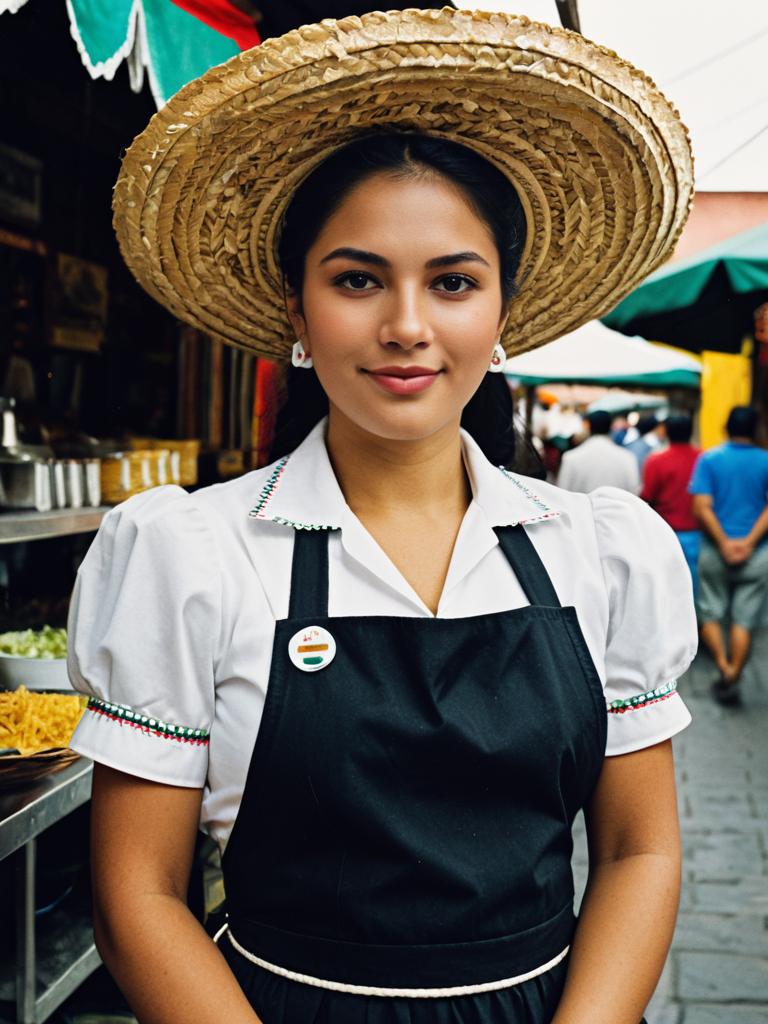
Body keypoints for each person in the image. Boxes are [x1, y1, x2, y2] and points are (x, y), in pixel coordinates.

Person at [66, 10, 696, 1024]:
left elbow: (640, 849)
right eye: (357, 279)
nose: (406, 326)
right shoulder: (192, 554)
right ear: (297, 310)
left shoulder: (603, 553)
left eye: (452, 281)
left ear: (501, 315)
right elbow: (138, 892)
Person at [689, 405, 768, 705]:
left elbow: (701, 507)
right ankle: (735, 672)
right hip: (757, 554)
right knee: (744, 619)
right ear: (756, 430)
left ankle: (722, 665)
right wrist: (748, 542)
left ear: (726, 428)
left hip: (715, 551)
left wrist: (724, 542)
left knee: (710, 610)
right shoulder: (766, 461)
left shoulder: (709, 459)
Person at [641, 413, 701, 593]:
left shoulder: (656, 460)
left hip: (665, 532)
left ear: (666, 431)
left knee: (667, 589)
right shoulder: (704, 458)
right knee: (693, 589)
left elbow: (647, 496)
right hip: (698, 534)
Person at [557, 409, 641, 494]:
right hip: (618, 506)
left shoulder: (571, 458)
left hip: (581, 506)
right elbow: (634, 491)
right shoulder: (628, 458)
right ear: (611, 426)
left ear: (588, 425)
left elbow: (563, 493)